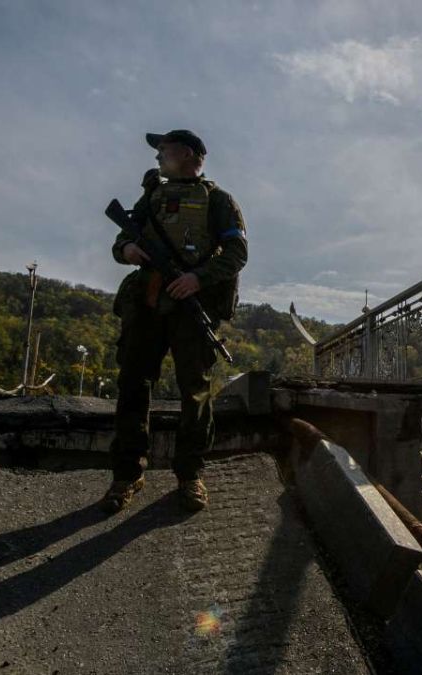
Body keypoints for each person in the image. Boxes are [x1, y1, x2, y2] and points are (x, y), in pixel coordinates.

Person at [101, 129, 247, 514]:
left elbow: (237, 253)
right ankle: (127, 474)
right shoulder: (151, 196)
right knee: (132, 384)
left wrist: (198, 278)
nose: (157, 157)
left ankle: (190, 475)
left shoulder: (218, 200)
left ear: (186, 154)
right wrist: (127, 250)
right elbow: (121, 241)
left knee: (195, 392)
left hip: (191, 306)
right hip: (147, 303)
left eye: (163, 150)